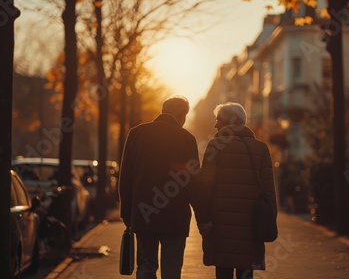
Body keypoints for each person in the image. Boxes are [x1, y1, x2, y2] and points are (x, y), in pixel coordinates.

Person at [118, 95, 205, 279]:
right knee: (171, 268)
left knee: (146, 265)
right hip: (175, 217)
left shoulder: (136, 134)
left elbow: (125, 179)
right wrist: (203, 218)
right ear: (181, 114)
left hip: (143, 214)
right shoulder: (187, 139)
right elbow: (194, 184)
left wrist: (127, 213)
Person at [199, 102, 277, 279]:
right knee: (246, 273)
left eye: (218, 119)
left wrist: (203, 218)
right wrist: (270, 217)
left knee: (223, 272)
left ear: (228, 121)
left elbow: (206, 187)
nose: (215, 124)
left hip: (221, 225)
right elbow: (269, 189)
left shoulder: (215, 146)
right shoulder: (261, 149)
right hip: (252, 224)